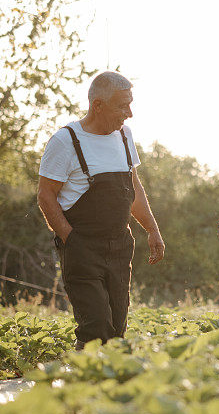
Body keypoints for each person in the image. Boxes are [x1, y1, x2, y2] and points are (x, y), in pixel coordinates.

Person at [37, 71, 165, 350]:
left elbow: (133, 189)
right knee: (95, 329)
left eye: (130, 104)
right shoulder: (65, 141)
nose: (129, 113)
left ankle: (105, 388)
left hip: (120, 246)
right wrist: (71, 240)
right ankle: (81, 383)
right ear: (98, 106)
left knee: (116, 331)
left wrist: (153, 230)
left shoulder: (124, 136)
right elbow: (45, 196)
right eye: (122, 105)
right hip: (82, 247)